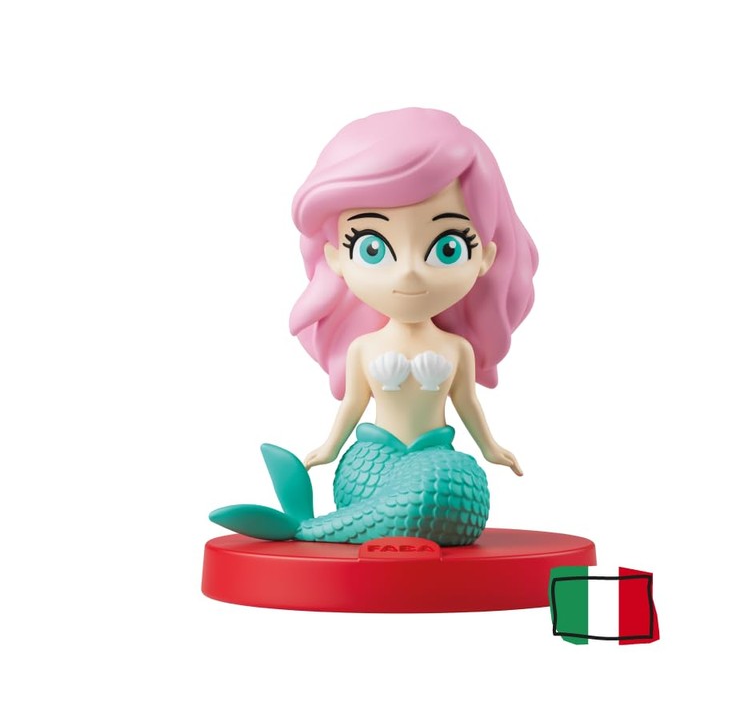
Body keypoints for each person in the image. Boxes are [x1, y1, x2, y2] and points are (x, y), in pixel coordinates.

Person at [210, 108, 538, 545]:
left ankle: (313, 527)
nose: (409, 273)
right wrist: (329, 449)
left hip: (436, 458)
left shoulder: (456, 349)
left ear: (485, 256)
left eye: (447, 247)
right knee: (439, 495)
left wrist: (491, 449)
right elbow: (353, 404)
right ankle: (329, 525)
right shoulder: (364, 349)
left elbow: (467, 403)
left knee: (454, 488)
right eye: (372, 248)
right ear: (336, 258)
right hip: (369, 461)